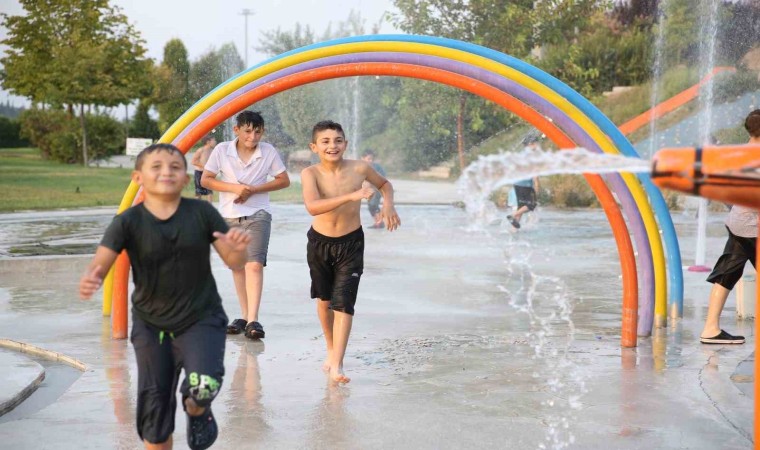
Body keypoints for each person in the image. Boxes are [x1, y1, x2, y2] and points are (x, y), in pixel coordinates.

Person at [79, 143, 251, 450]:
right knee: (155, 418)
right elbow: (102, 261)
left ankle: (196, 410)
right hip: (151, 325)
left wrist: (238, 249)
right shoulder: (128, 221)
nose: (166, 172)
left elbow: (234, 261)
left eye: (174, 166)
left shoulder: (202, 213)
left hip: (201, 318)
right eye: (156, 167)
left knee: (203, 385)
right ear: (138, 177)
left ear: (185, 178)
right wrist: (93, 276)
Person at [301, 120, 401, 384]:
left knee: (344, 301)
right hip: (320, 243)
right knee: (324, 301)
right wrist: (351, 196)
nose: (332, 146)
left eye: (337, 140)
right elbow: (312, 207)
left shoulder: (359, 168)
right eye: (325, 141)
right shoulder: (310, 173)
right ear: (314, 147)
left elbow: (385, 185)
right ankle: (330, 348)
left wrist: (388, 205)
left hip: (351, 243)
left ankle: (337, 363)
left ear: (345, 144)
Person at [201, 111, 290, 340]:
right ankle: (243, 316)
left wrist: (253, 190)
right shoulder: (222, 150)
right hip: (229, 217)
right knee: (238, 267)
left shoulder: (267, 151)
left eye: (257, 132)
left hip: (258, 215)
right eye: (248, 131)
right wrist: (235, 188)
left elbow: (284, 180)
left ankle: (253, 320)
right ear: (236, 130)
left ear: (263, 132)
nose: (253, 136)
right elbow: (206, 179)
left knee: (254, 265)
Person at [700, 109, 760, 344]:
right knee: (727, 273)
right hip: (752, 226)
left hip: (738, 222)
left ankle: (710, 329)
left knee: (727, 274)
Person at [507, 136, 541, 229]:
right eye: (535, 143)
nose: (537, 145)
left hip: (517, 183)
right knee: (532, 204)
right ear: (530, 144)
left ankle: (513, 230)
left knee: (521, 206)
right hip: (526, 185)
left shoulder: (521, 154)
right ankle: (513, 215)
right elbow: (535, 175)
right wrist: (537, 188)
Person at [361, 150, 387, 228]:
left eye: (372, 159)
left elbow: (382, 179)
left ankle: (380, 222)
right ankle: (378, 222)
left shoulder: (377, 167)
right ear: (362, 158)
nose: (371, 160)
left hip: (377, 190)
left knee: (373, 205)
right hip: (370, 190)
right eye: (369, 159)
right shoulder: (362, 167)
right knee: (370, 206)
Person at [191, 135, 217, 202]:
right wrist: (204, 166)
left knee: (210, 192)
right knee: (199, 192)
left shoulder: (212, 151)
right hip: (199, 172)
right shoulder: (201, 150)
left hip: (208, 173)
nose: (215, 142)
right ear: (208, 142)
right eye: (213, 140)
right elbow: (193, 161)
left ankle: (210, 207)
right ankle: (197, 207)